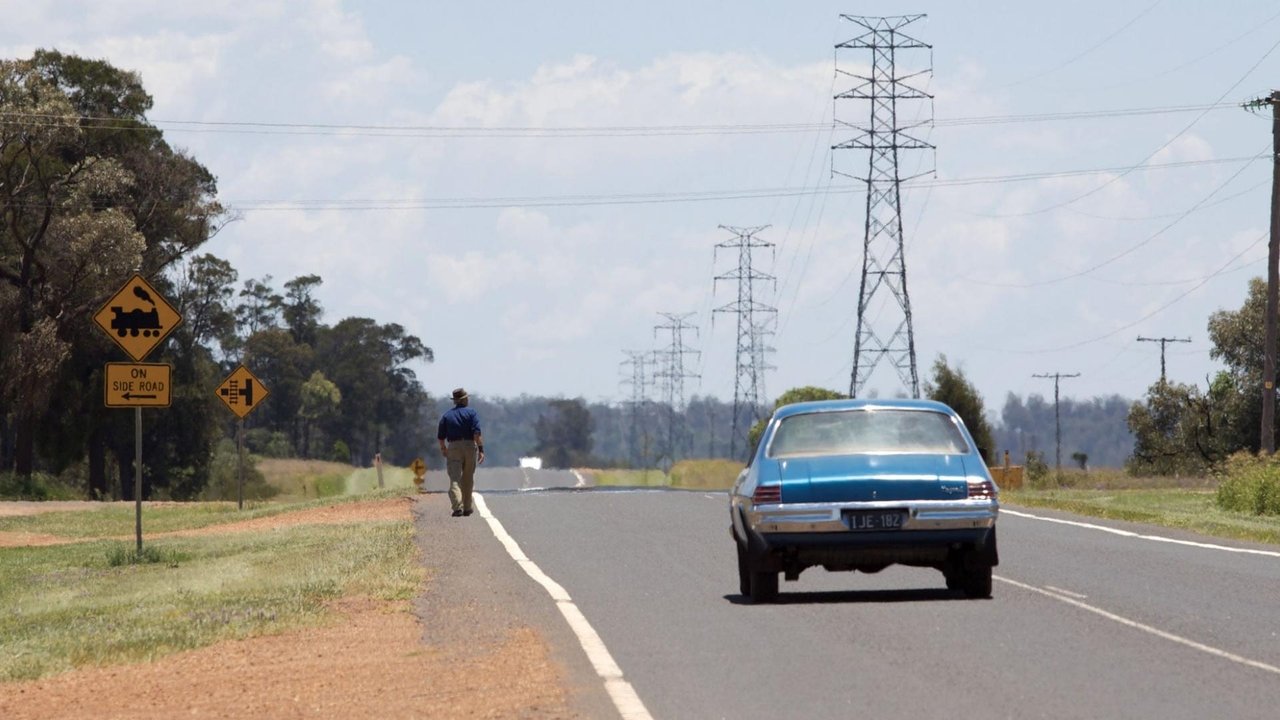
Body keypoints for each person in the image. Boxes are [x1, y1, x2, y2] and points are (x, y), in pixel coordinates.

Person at [437, 387, 484, 516]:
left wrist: (444, 449)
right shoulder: (472, 413)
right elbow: (477, 434)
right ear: (464, 400)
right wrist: (481, 450)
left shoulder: (447, 415)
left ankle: (457, 506)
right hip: (469, 446)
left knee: (455, 479)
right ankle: (467, 507)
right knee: (468, 478)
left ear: (455, 401)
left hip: (453, 446)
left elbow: (441, 436)